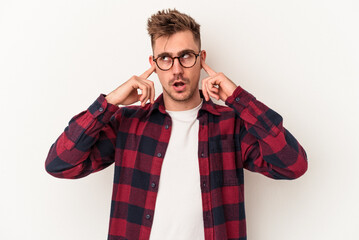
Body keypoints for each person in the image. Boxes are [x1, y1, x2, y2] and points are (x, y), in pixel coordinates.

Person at [45, 9, 308, 240]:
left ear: (201, 59)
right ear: (154, 64)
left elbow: (293, 165)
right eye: (166, 59)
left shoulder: (230, 126)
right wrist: (109, 103)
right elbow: (60, 163)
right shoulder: (128, 125)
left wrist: (238, 98)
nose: (177, 70)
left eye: (186, 56)